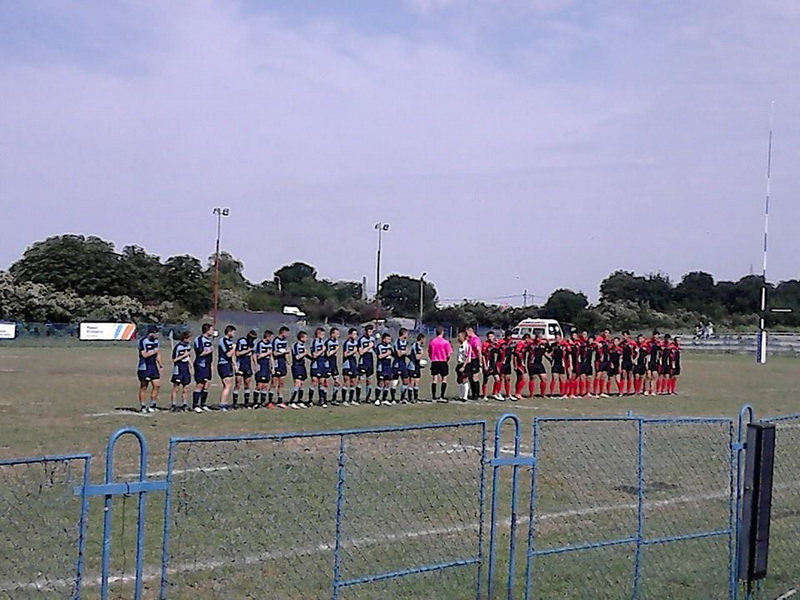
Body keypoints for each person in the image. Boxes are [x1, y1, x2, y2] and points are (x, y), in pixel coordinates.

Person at [136, 325, 162, 413]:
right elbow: (144, 354)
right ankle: (143, 405)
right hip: (144, 367)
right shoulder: (142, 341)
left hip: (153, 366)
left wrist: (160, 364)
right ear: (151, 333)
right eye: (156, 333)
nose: (157, 335)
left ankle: (153, 405)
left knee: (157, 385)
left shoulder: (156, 341)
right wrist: (154, 351)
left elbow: (158, 353)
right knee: (144, 386)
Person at [192, 323, 214, 412]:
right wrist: (209, 350)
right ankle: (195, 405)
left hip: (208, 365)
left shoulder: (208, 340)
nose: (213, 331)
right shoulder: (199, 339)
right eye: (211, 330)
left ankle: (203, 404)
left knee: (207, 384)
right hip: (200, 365)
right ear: (207, 330)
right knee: (200, 384)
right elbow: (199, 353)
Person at [169, 331, 192, 412]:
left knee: (186, 387)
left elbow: (188, 357)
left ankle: (184, 404)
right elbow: (174, 360)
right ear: (185, 338)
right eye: (189, 338)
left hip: (186, 368)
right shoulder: (178, 347)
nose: (190, 340)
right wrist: (184, 355)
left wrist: (191, 365)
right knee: (176, 387)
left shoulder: (188, 346)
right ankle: (173, 404)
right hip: (178, 368)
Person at [233, 329, 257, 409]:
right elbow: (237, 353)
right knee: (238, 384)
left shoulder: (253, 344)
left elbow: (253, 354)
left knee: (247, 384)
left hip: (248, 366)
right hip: (240, 365)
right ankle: (235, 403)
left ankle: (246, 403)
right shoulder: (241, 341)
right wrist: (248, 350)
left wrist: (255, 364)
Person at [428, 326, 452, 401]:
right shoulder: (446, 342)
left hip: (434, 361)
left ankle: (434, 396)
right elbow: (449, 354)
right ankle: (442, 396)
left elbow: (429, 352)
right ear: (442, 332)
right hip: (443, 361)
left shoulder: (432, 342)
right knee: (444, 379)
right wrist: (446, 359)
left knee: (434, 379)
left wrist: (432, 358)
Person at [217, 325, 237, 410]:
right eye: (233, 332)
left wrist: (234, 364)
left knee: (228, 385)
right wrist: (234, 348)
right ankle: (222, 404)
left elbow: (231, 356)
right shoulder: (223, 340)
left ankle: (225, 403)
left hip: (228, 364)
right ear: (229, 332)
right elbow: (228, 354)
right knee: (227, 385)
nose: (234, 334)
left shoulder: (230, 341)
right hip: (223, 364)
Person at [290, 331, 310, 408]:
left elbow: (305, 354)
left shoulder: (303, 346)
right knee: (297, 383)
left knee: (301, 384)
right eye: (305, 337)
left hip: (302, 366)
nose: (307, 339)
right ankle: (291, 401)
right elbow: (297, 357)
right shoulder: (295, 345)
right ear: (301, 338)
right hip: (297, 366)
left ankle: (300, 401)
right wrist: (305, 353)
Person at [254, 330, 274, 408]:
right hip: (261, 366)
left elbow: (271, 356)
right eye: (271, 337)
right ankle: (256, 403)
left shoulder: (270, 345)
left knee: (265, 385)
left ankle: (262, 403)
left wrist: (273, 367)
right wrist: (267, 353)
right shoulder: (260, 344)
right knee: (259, 385)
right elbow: (258, 356)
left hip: (267, 367)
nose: (272, 339)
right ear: (267, 337)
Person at [271, 327, 290, 407]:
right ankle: (270, 401)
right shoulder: (275, 341)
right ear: (283, 332)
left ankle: (280, 400)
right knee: (274, 383)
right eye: (287, 333)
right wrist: (284, 352)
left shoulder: (285, 341)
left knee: (281, 383)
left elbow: (285, 352)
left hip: (282, 364)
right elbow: (274, 353)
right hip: (277, 364)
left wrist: (287, 361)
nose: (288, 335)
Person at [309, 327, 328, 407]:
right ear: (318, 334)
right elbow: (314, 355)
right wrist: (323, 350)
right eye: (322, 334)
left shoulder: (323, 342)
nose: (323, 336)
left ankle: (322, 400)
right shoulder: (314, 342)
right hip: (316, 364)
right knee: (314, 382)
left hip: (322, 364)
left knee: (322, 382)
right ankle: (310, 400)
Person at [358, 324, 376, 404]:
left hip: (370, 359)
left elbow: (375, 349)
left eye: (371, 332)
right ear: (365, 331)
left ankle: (367, 398)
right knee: (361, 379)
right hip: (363, 360)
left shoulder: (372, 339)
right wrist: (369, 347)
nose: (370, 333)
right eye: (369, 331)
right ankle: (358, 398)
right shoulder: (361, 340)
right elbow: (361, 352)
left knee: (369, 380)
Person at [342, 328, 360, 405]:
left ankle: (351, 400)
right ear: (350, 335)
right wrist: (353, 351)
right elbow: (345, 355)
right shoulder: (346, 343)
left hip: (353, 363)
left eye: (356, 334)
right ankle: (344, 400)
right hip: (347, 364)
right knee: (346, 381)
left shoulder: (356, 342)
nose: (355, 336)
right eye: (354, 334)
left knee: (353, 381)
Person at [527, 333, 548, 398]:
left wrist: (550, 358)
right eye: (537, 337)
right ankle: (531, 395)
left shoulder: (542, 345)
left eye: (540, 337)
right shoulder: (531, 344)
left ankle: (543, 394)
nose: (538, 339)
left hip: (539, 363)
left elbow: (544, 353)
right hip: (532, 363)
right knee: (533, 378)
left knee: (544, 377)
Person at [481, 331, 501, 401]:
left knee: (497, 379)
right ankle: (484, 395)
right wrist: (485, 365)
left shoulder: (496, 344)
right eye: (489, 336)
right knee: (485, 380)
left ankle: (494, 393)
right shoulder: (485, 344)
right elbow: (483, 355)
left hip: (493, 363)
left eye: (492, 336)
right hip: (487, 363)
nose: (490, 338)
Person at [393, 328, 411, 403]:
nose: (407, 335)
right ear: (403, 334)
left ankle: (402, 398)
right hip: (397, 364)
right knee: (395, 382)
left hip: (403, 364)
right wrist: (404, 352)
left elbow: (407, 352)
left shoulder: (406, 342)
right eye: (407, 334)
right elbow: (399, 354)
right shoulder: (396, 342)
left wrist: (404, 352)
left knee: (406, 381)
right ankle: (393, 399)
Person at [376, 332, 394, 405]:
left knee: (387, 383)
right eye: (388, 339)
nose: (389, 340)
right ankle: (377, 399)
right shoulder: (379, 346)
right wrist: (387, 353)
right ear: (383, 339)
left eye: (390, 339)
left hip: (388, 367)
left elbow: (393, 354)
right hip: (381, 367)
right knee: (380, 383)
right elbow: (379, 356)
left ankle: (384, 399)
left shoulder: (389, 346)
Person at [465, 326, 483, 400]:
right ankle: (473, 393)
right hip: (470, 360)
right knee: (470, 377)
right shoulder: (470, 339)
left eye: (466, 332)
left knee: (475, 377)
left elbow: (479, 351)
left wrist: (480, 362)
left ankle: (476, 394)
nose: (466, 334)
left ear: (470, 331)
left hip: (475, 359)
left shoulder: (476, 340)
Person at [326, 327, 342, 405]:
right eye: (337, 333)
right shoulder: (328, 342)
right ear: (332, 334)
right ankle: (323, 399)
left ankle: (334, 399)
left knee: (337, 382)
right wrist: (336, 349)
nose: (338, 335)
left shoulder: (336, 341)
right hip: (328, 364)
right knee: (325, 382)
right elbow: (327, 354)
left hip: (334, 364)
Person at [548, 333, 567, 398]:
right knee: (554, 378)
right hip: (555, 363)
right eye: (555, 337)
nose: (556, 339)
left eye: (557, 337)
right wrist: (550, 359)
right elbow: (548, 353)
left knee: (562, 379)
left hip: (562, 364)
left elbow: (568, 352)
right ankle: (551, 394)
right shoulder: (553, 345)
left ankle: (562, 394)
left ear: (561, 338)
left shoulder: (564, 345)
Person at [408, 333, 425, 403]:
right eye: (424, 339)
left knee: (416, 382)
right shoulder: (416, 346)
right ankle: (410, 398)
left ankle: (415, 398)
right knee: (412, 382)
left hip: (417, 367)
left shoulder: (419, 346)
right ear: (421, 339)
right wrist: (422, 354)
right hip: (413, 367)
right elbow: (417, 357)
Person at [497, 330, 515, 400]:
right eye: (508, 336)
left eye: (510, 336)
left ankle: (508, 394)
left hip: (508, 362)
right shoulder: (501, 342)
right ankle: (498, 393)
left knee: (508, 379)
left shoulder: (511, 342)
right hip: (501, 362)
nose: (509, 337)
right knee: (501, 378)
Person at [513, 333, 530, 400]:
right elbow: (515, 355)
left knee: (519, 379)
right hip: (519, 364)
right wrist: (515, 365)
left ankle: (517, 393)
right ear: (526, 338)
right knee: (524, 378)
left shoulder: (525, 344)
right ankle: (518, 393)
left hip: (521, 363)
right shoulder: (520, 344)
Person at [455, 330, 470, 401]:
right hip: (459, 363)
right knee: (459, 380)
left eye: (459, 336)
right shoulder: (461, 345)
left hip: (464, 364)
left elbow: (467, 357)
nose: (458, 338)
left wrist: (464, 366)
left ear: (464, 337)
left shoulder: (466, 345)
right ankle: (461, 395)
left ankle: (465, 396)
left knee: (464, 379)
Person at [646, 331, 661, 396]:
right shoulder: (649, 342)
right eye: (655, 335)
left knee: (654, 376)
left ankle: (653, 390)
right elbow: (647, 353)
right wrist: (646, 362)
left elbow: (661, 352)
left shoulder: (659, 343)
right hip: (649, 360)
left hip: (655, 361)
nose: (656, 336)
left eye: (657, 335)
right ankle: (646, 390)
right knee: (648, 376)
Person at [620, 331, 635, 396]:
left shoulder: (632, 343)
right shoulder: (622, 343)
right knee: (623, 375)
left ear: (628, 335)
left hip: (630, 361)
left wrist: (634, 359)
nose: (624, 337)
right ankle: (621, 391)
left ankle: (628, 391)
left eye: (625, 335)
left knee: (629, 376)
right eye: (623, 335)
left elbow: (637, 351)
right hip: (624, 361)